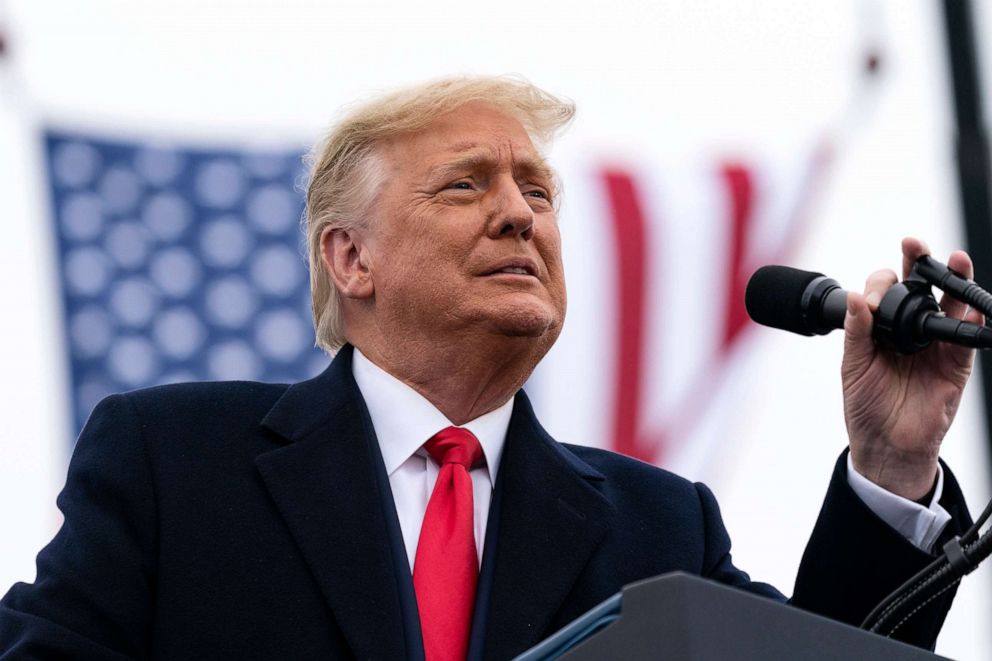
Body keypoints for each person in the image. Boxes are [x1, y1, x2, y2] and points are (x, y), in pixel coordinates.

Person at [0, 76, 978, 660]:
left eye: (537, 189)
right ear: (351, 258)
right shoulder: (174, 463)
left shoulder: (656, 524)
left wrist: (890, 466)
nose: (518, 213)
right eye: (465, 184)